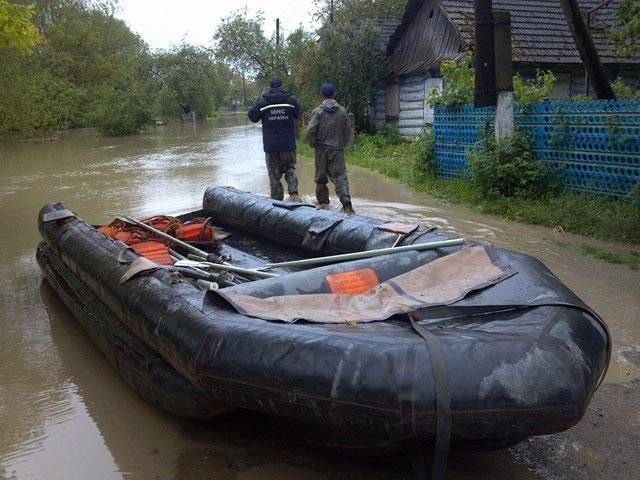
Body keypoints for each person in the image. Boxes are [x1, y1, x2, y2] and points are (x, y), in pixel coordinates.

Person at [248, 77, 301, 202]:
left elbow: (252, 116)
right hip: (288, 145)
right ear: (282, 86)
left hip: (271, 146)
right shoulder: (291, 101)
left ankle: (277, 202)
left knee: (274, 176)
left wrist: (259, 99)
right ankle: (294, 196)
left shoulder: (263, 102)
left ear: (270, 87)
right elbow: (298, 113)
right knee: (290, 169)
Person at [306, 82, 354, 214]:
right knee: (340, 177)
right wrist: (342, 144)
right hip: (337, 149)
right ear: (334, 94)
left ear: (322, 95)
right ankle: (346, 202)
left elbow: (311, 130)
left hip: (321, 149)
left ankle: (323, 204)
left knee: (321, 178)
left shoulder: (318, 112)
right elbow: (347, 132)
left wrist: (312, 143)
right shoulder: (342, 112)